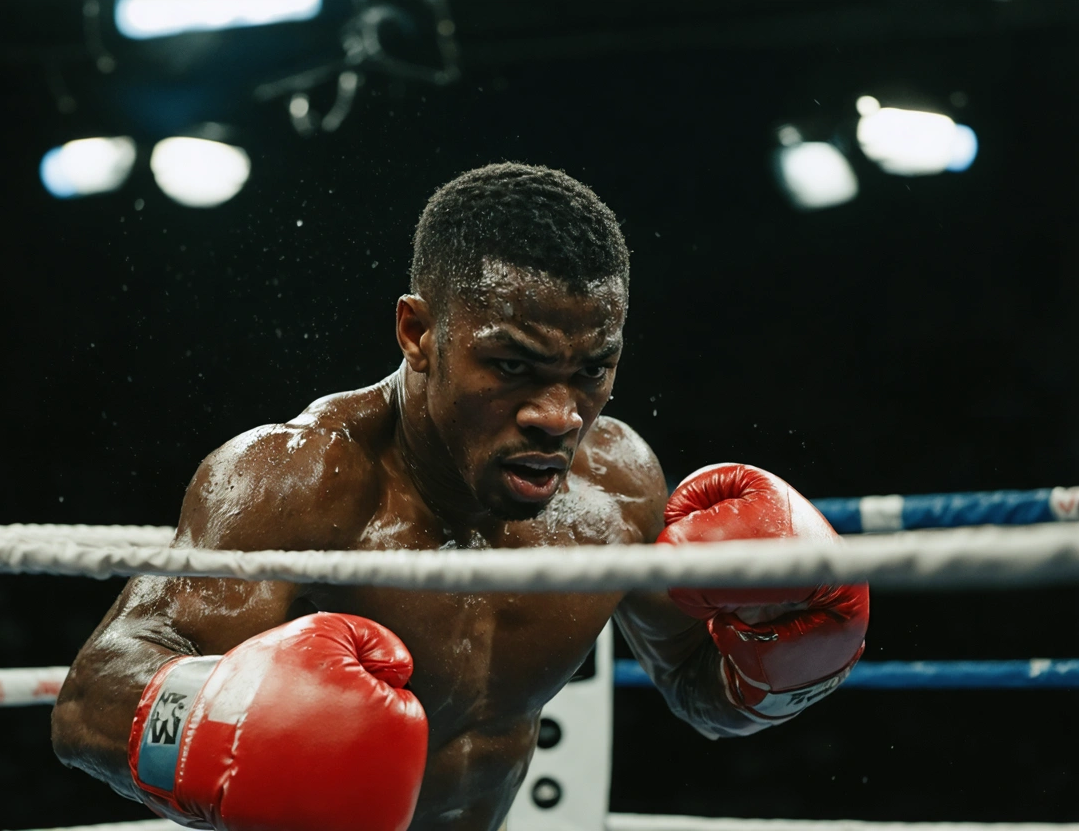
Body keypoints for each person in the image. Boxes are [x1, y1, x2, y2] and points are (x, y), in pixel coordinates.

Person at [51, 163, 869, 831]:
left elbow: (704, 693)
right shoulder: (296, 482)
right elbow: (90, 707)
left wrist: (793, 655)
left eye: (592, 370)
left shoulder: (615, 488)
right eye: (513, 366)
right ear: (417, 333)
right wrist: (234, 729)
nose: (560, 415)